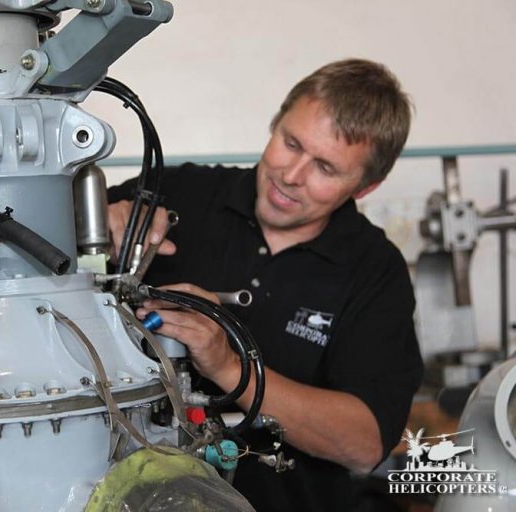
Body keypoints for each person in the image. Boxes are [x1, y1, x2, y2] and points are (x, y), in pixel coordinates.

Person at [106, 59, 424, 511]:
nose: (291, 176)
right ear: (275, 122)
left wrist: (230, 368)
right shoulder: (182, 192)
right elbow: (41, 233)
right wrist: (103, 223)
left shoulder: (374, 271)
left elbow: (364, 443)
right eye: (290, 143)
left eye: (326, 169)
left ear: (366, 187)